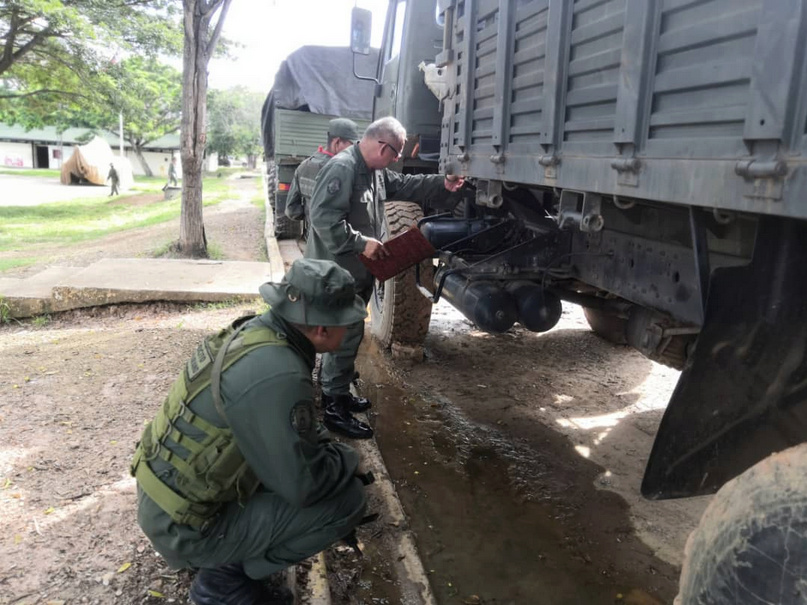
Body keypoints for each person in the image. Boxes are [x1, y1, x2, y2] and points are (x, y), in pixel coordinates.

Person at [131, 259, 371, 605]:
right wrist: (349, 460)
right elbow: (305, 486)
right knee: (346, 502)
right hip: (185, 527)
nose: (350, 331)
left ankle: (226, 560)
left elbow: (282, 429)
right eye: (347, 323)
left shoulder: (258, 334)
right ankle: (222, 582)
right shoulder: (281, 373)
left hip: (165, 500)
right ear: (321, 328)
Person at [305, 116, 464, 439]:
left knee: (350, 334)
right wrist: (362, 243)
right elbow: (323, 220)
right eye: (396, 153)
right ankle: (334, 406)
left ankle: (340, 392)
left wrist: (442, 184)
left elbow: (405, 185)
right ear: (381, 145)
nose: (397, 160)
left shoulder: (374, 172)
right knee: (341, 335)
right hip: (337, 272)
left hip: (357, 272)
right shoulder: (343, 169)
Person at [285, 118, 359, 226]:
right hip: (339, 239)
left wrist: (310, 214)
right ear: (337, 142)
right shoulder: (344, 170)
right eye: (351, 146)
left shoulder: (303, 167)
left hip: (313, 238)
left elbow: (291, 210)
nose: (353, 150)